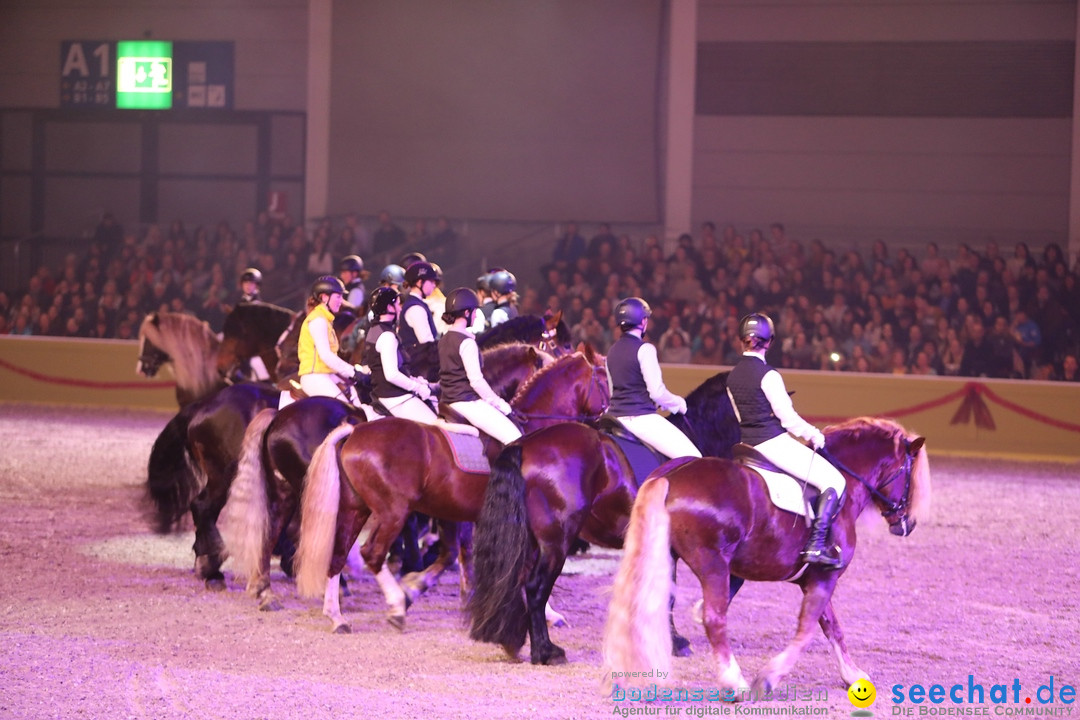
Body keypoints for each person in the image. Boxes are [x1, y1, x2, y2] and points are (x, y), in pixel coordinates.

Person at [726, 312, 846, 567]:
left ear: (741, 341)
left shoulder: (732, 377)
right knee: (834, 480)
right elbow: (787, 419)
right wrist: (813, 434)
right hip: (772, 443)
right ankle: (815, 546)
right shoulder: (769, 375)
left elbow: (740, 416)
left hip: (746, 445)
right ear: (769, 342)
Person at [607, 297, 701, 460]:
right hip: (640, 419)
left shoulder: (611, 352)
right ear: (643, 321)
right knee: (694, 458)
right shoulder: (645, 349)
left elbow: (612, 392)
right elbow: (657, 393)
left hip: (614, 419)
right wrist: (678, 404)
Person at [438, 287, 521, 444]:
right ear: (466, 313)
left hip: (447, 401)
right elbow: (476, 381)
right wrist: (499, 403)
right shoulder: (466, 342)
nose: (476, 315)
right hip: (467, 402)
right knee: (514, 438)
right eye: (474, 311)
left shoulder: (444, 339)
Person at [363, 286, 438, 423]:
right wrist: (417, 388)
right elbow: (391, 375)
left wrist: (415, 380)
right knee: (437, 428)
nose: (400, 308)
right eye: (397, 304)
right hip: (395, 397)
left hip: (385, 393)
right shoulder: (387, 336)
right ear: (389, 308)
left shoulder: (374, 330)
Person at [297, 275, 364, 406]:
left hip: (326, 374)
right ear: (324, 297)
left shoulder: (325, 319)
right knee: (345, 410)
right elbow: (326, 356)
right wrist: (353, 372)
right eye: (338, 296)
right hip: (315, 376)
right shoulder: (318, 320)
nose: (341, 301)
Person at [398, 260, 441, 381]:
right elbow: (426, 341)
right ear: (419, 282)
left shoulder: (418, 304)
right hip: (418, 367)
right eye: (431, 281)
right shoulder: (416, 308)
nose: (434, 285)